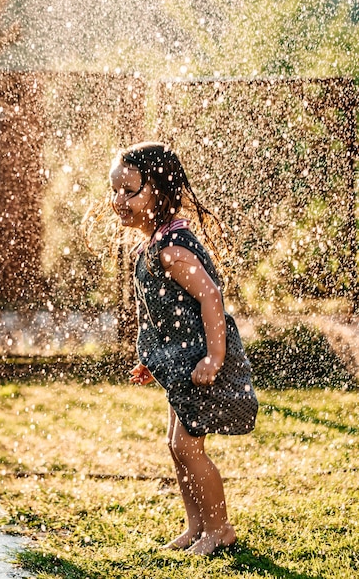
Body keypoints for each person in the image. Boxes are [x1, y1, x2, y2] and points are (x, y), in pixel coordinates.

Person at [108, 142, 258, 555]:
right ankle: (196, 526)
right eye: (116, 190)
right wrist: (149, 358)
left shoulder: (172, 250)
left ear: (160, 189)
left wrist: (214, 357)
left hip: (201, 365)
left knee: (189, 447)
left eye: (130, 190)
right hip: (181, 367)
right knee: (176, 446)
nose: (120, 200)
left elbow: (211, 297)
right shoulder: (152, 246)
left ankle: (219, 529)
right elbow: (163, 314)